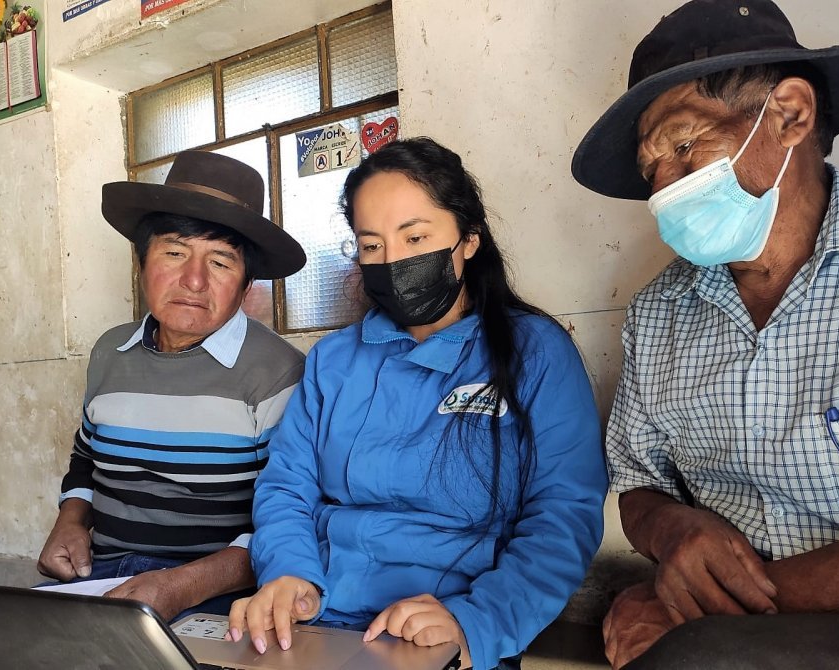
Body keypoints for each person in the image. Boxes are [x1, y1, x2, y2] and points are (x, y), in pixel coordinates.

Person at [571, 0, 839, 667]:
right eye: (650, 170)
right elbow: (637, 485)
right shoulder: (659, 312)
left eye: (683, 143)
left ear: (790, 114)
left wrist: (702, 616)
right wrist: (673, 533)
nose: (663, 187)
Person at [226, 137, 608, 669]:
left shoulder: (534, 352)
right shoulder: (333, 360)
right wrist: (290, 574)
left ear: (469, 239)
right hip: (318, 622)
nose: (393, 260)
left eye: (416, 236)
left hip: (451, 634)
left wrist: (475, 621)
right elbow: (287, 484)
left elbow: (564, 514)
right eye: (372, 245)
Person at [37, 151, 308, 621]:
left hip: (218, 595)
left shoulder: (278, 373)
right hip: (105, 580)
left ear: (246, 286)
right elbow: (86, 457)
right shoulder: (109, 352)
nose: (194, 280)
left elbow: (288, 518)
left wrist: (179, 586)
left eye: (221, 261)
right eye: (175, 252)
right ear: (143, 263)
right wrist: (71, 520)